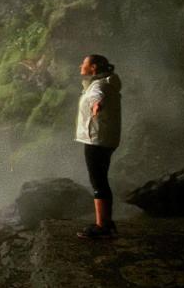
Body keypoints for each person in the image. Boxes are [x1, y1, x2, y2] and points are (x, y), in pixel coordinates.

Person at [75, 54, 122, 239]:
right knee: (100, 179)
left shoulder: (99, 86)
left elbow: (97, 96)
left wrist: (96, 105)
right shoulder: (104, 83)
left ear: (93, 67)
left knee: (98, 181)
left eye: (84, 63)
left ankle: (102, 226)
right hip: (104, 139)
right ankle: (107, 223)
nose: (81, 65)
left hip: (97, 140)